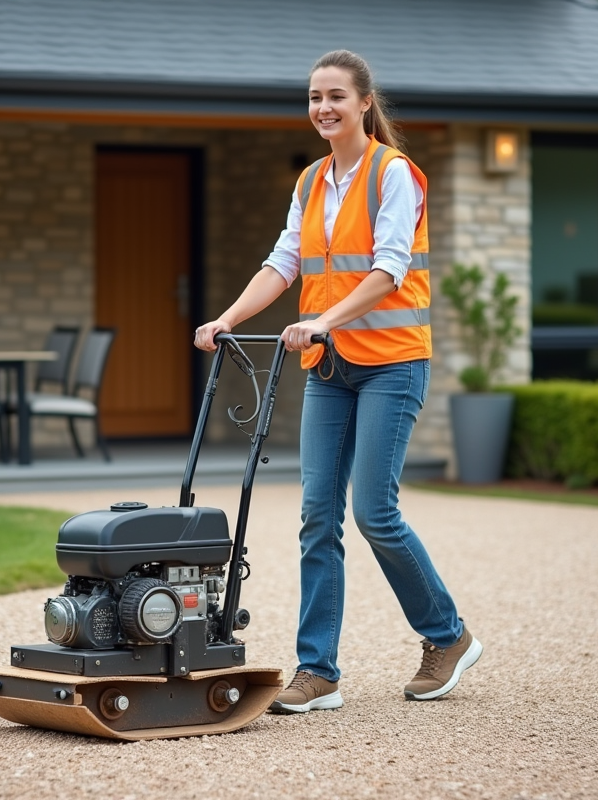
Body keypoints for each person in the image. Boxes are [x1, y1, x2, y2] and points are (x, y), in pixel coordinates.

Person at [194, 50, 481, 714]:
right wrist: (228, 318)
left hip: (392, 362)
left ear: (364, 103)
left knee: (374, 511)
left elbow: (388, 269)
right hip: (330, 368)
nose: (323, 107)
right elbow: (283, 262)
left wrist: (321, 321)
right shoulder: (312, 180)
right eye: (314, 97)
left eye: (336, 96)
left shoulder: (393, 173)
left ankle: (448, 636)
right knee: (317, 515)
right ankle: (317, 671)